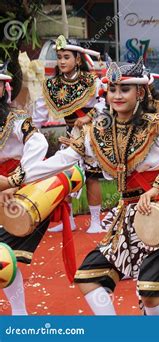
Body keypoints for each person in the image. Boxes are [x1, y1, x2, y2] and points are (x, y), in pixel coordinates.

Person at [13, 58, 159, 315]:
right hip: (128, 213)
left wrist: (156, 187)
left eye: (125, 89)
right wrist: (18, 178)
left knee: (149, 293)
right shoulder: (98, 129)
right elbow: (64, 159)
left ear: (140, 92)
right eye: (112, 89)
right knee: (89, 277)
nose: (117, 95)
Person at [33, 35, 105, 234]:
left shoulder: (92, 81)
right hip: (68, 134)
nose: (62, 61)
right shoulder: (52, 85)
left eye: (66, 57)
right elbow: (39, 112)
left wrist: (89, 117)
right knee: (64, 174)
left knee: (91, 176)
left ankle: (96, 221)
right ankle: (68, 220)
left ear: (78, 60)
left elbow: (106, 103)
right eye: (59, 57)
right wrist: (31, 134)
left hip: (88, 134)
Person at [0, 61, 50, 315]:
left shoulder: (17, 119)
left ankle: (20, 313)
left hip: (14, 193)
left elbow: (38, 143)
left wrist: (16, 180)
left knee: (2, 256)